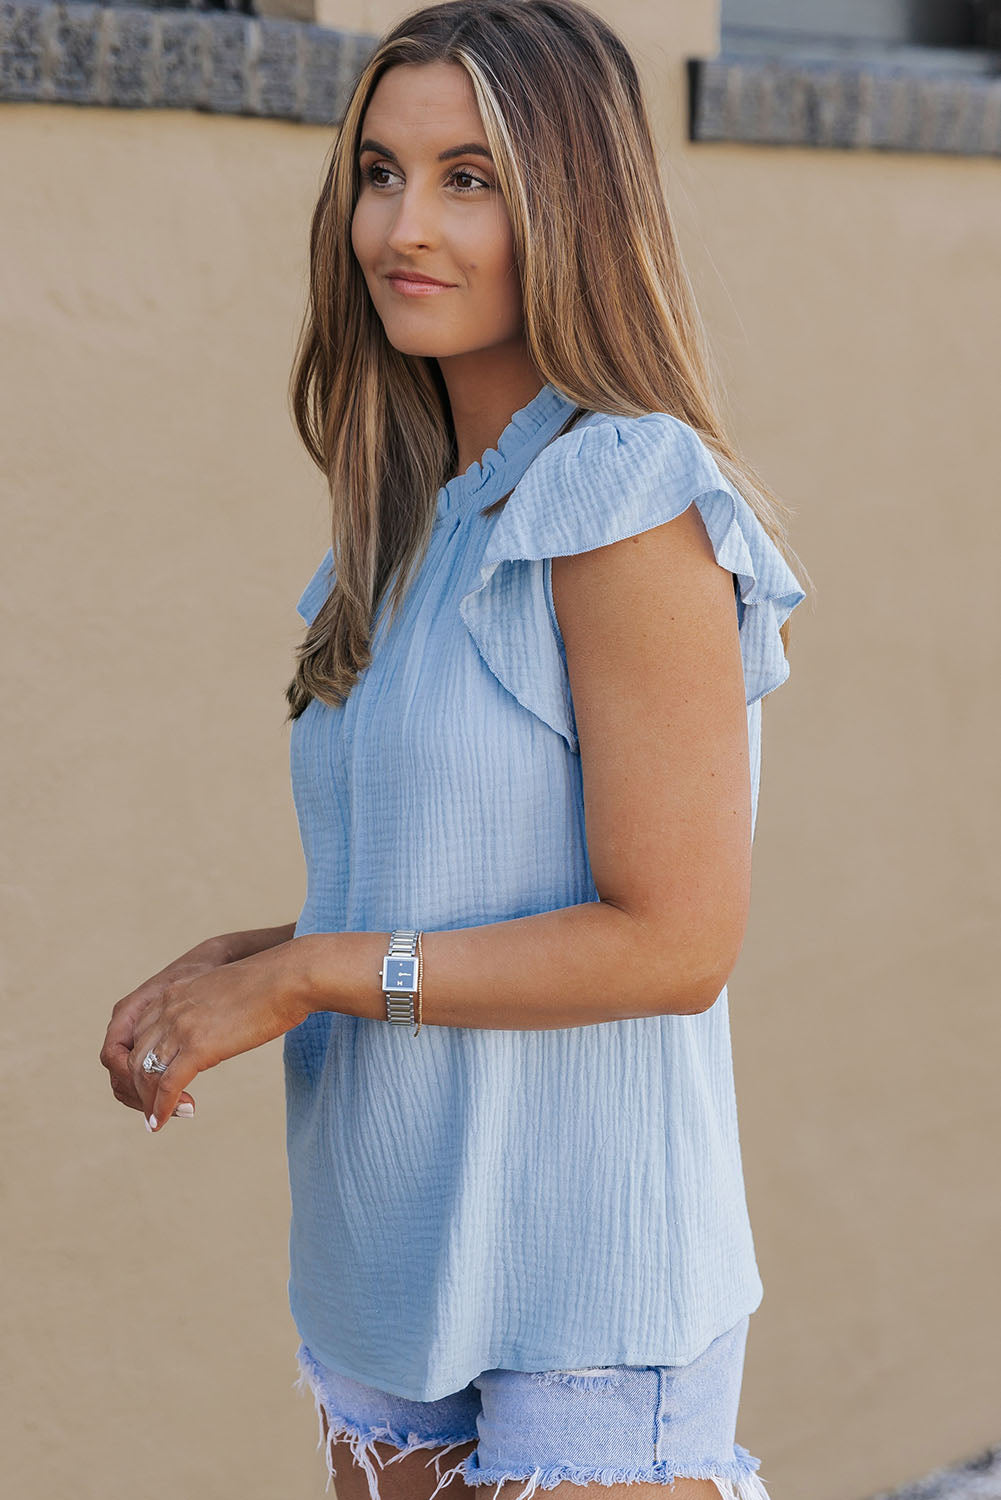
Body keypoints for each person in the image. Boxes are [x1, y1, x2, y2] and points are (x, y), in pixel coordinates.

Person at [99, 2, 811, 1497]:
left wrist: (305, 975)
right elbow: (469, 885)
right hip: (392, 1242)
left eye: (467, 178)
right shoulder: (412, 524)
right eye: (378, 171)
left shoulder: (620, 495)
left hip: (584, 1276)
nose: (400, 224)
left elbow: (672, 941)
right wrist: (249, 956)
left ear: (569, 203)